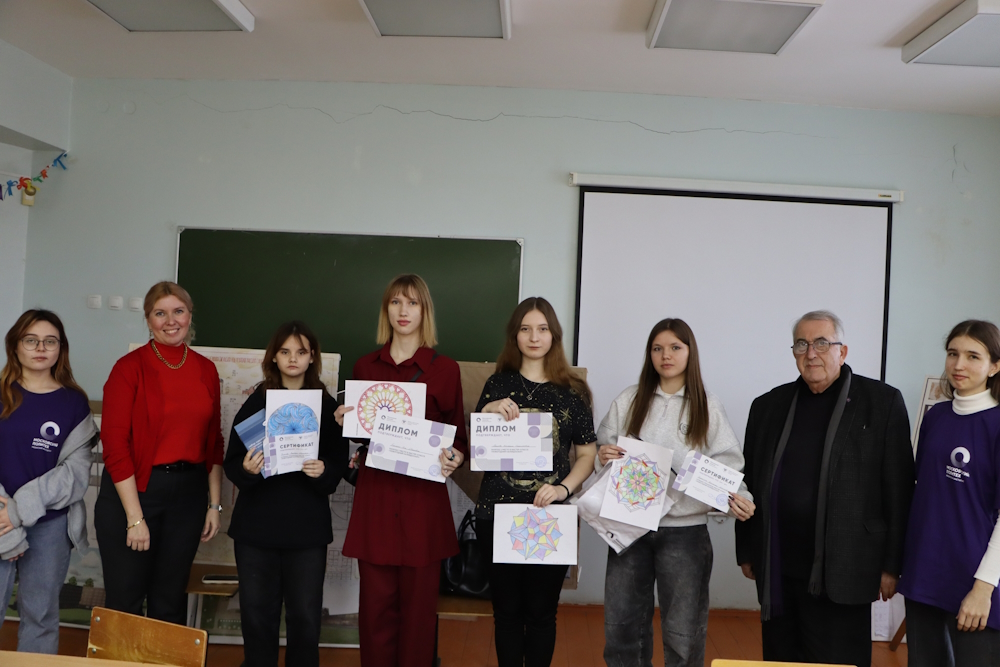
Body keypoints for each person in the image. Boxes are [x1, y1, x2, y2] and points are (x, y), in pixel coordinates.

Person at [735, 309, 914, 666]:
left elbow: (899, 489)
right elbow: (749, 480)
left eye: (821, 343)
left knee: (838, 661)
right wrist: (747, 549)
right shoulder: (768, 406)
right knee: (780, 659)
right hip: (779, 564)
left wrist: (892, 565)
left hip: (848, 565)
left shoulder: (881, 402)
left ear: (842, 351)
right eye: (801, 344)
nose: (811, 353)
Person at [596, 318, 755, 667]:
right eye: (657, 348)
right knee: (622, 629)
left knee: (684, 634)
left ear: (689, 352)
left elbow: (728, 465)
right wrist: (602, 456)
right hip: (630, 527)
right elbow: (602, 451)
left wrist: (740, 497)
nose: (665, 355)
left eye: (674, 347)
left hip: (685, 534)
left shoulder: (707, 405)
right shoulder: (629, 399)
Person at [337, 274, 466, 667]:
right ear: (386, 310)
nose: (403, 311)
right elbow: (361, 437)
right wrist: (345, 421)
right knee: (374, 613)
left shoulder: (446, 370)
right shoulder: (364, 366)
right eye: (395, 302)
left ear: (424, 311)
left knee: (418, 616)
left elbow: (458, 439)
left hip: (422, 505)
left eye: (412, 303)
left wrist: (455, 457)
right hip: (376, 501)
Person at [474, 297, 597, 667]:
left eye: (542, 329)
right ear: (515, 335)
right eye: (525, 329)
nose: (533, 337)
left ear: (554, 335)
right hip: (496, 514)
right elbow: (478, 445)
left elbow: (587, 454)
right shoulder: (498, 384)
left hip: (548, 515)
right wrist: (488, 410)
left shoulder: (573, 391)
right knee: (506, 613)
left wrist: (563, 489)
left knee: (542, 614)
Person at [95, 281, 224, 625]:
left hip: (188, 497)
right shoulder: (128, 368)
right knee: (126, 602)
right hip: (135, 493)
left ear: (190, 314)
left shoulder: (206, 370)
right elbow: (115, 447)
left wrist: (214, 505)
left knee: (170, 603)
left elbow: (214, 442)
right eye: (160, 313)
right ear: (148, 319)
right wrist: (135, 518)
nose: (171, 321)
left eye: (178, 311)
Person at [224, 321, 349, 667]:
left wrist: (324, 471)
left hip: (306, 532)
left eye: (301, 351)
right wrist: (247, 470)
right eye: (285, 351)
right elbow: (232, 462)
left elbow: (337, 466)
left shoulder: (326, 406)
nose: (293, 358)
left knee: (306, 620)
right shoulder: (256, 402)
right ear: (274, 358)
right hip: (256, 531)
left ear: (312, 358)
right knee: (256, 618)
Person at [898, 320, 1000, 666]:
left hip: (974, 579)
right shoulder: (936, 416)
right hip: (924, 572)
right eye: (953, 354)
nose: (959, 364)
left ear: (995, 366)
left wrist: (983, 588)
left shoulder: (996, 424)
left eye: (973, 356)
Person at [0, 310, 97, 653]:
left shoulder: (74, 403)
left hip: (50, 524)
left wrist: (19, 509)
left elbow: (75, 473)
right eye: (31, 340)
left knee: (40, 615)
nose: (40, 348)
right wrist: (6, 512)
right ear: (15, 346)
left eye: (50, 341)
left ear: (60, 348)